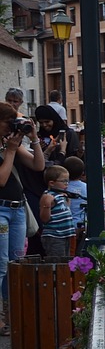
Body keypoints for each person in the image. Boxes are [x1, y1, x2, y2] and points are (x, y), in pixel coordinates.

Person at [0, 104, 45, 332]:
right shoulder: (8, 148)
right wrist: (9, 151)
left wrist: (33, 137)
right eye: (8, 122)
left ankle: (12, 315)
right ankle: (1, 317)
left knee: (15, 264)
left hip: (17, 210)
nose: (11, 127)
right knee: (0, 266)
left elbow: (38, 165)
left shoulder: (11, 144)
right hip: (1, 210)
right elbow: (1, 179)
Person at [38, 165, 77, 260]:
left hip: (65, 234)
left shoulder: (62, 195)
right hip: (54, 236)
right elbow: (44, 219)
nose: (67, 184)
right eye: (64, 181)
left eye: (68, 181)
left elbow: (65, 211)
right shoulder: (48, 196)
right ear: (52, 183)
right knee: (57, 261)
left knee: (66, 261)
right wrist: (47, 204)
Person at [62, 156, 87, 228]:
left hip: (67, 226)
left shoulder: (62, 188)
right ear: (82, 173)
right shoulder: (86, 187)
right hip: (83, 224)